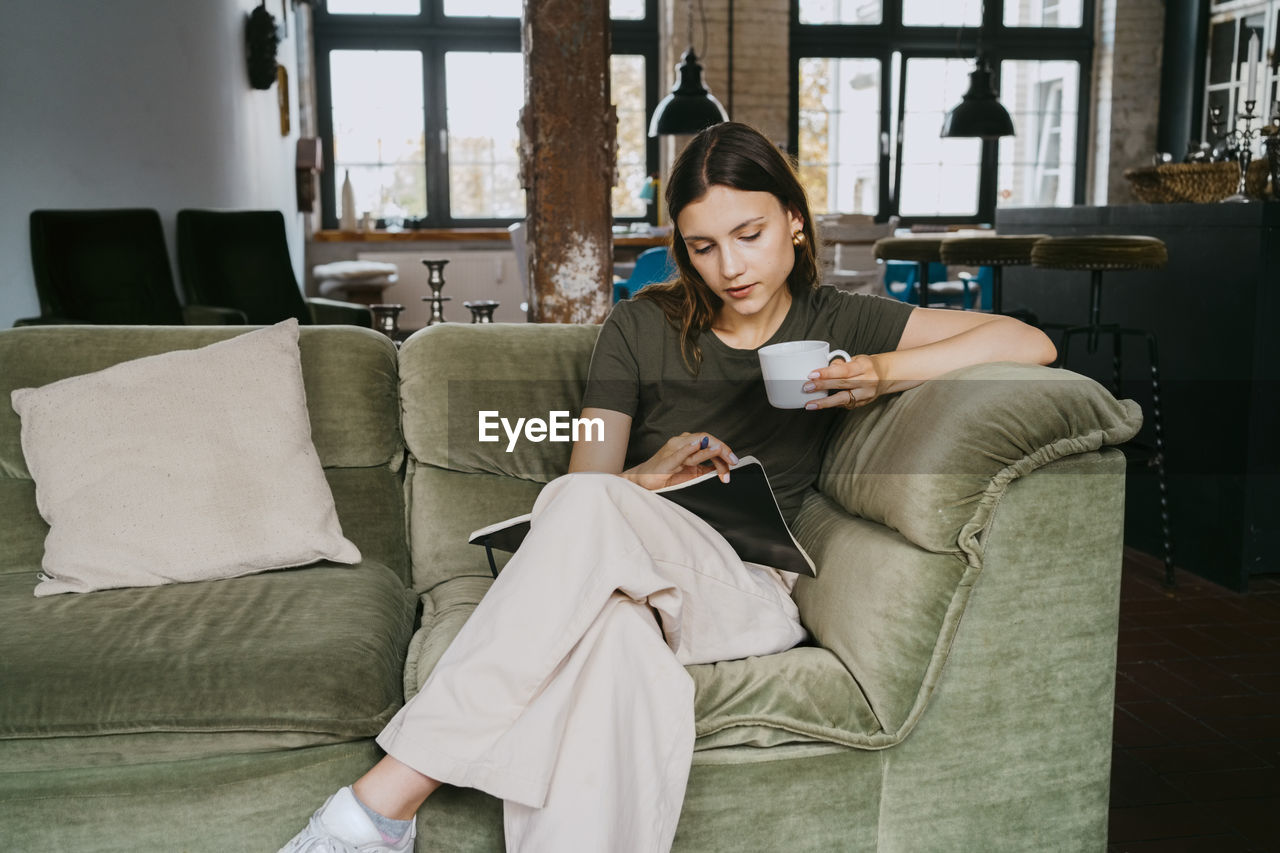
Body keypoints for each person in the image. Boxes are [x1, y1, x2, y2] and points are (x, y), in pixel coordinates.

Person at [279, 122, 1055, 853]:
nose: (731, 266)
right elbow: (588, 484)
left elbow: (1030, 340)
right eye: (704, 246)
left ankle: (383, 800)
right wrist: (646, 477)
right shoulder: (638, 326)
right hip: (623, 577)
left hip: (745, 587)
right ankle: (375, 824)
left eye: (749, 235)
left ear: (792, 219)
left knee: (589, 526)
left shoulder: (843, 321)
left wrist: (878, 373)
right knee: (614, 649)